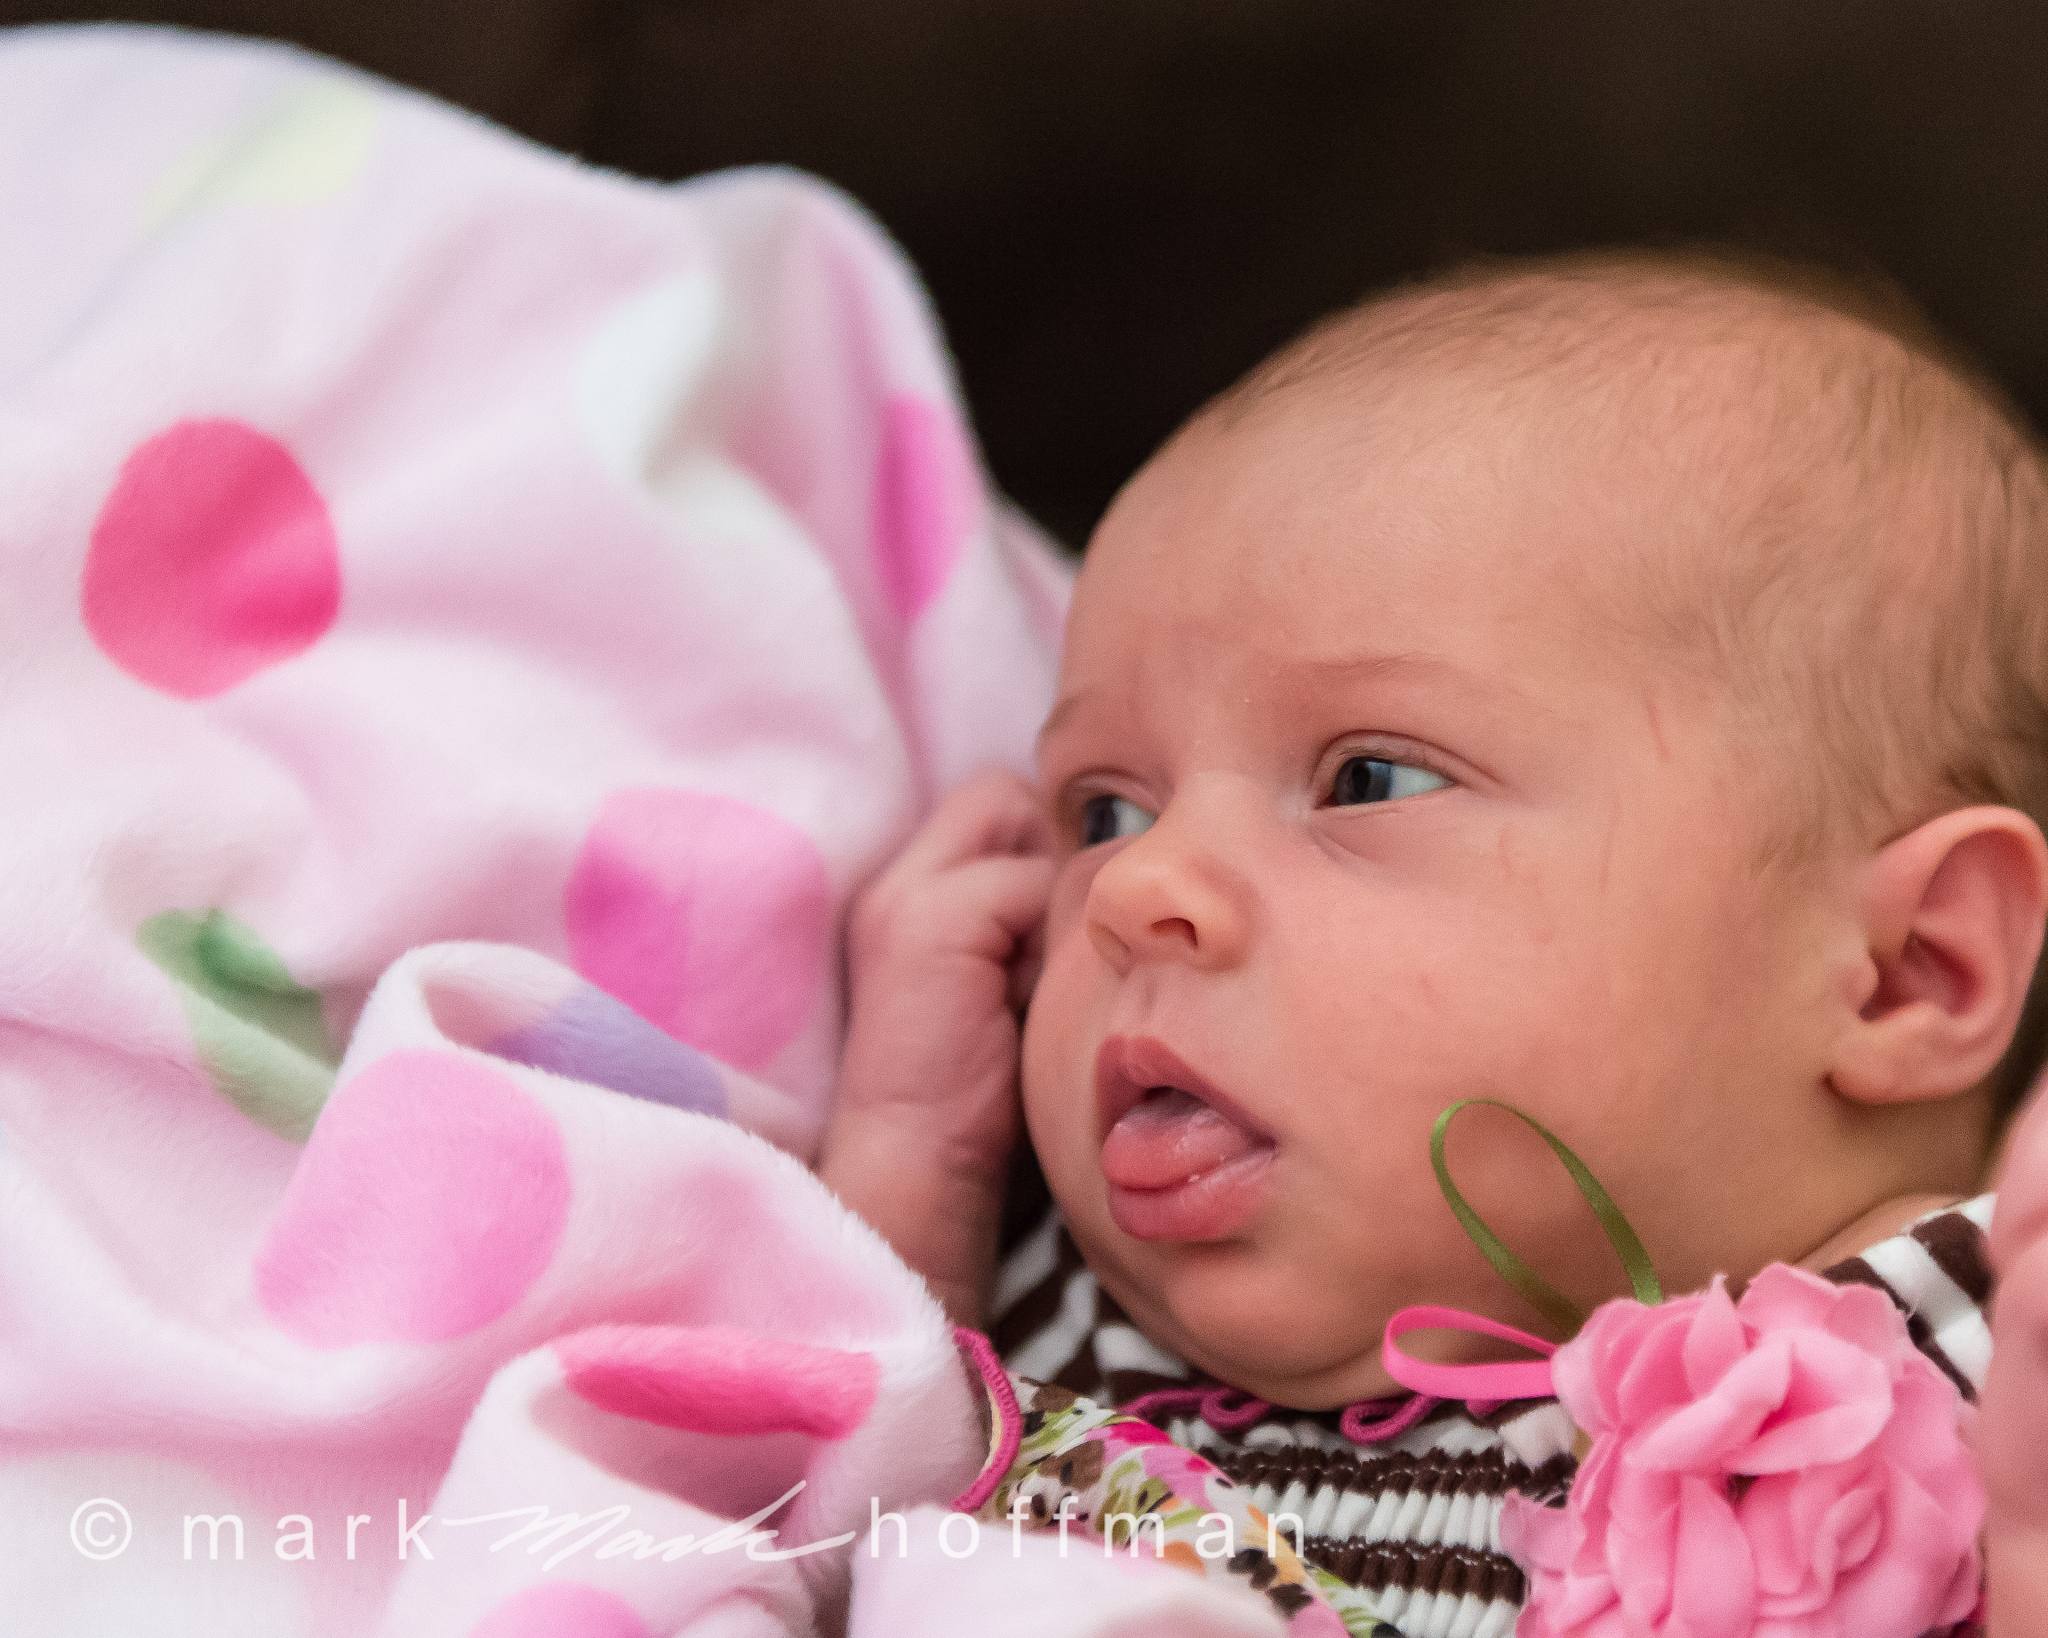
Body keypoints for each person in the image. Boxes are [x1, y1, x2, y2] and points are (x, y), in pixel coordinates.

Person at [819, 249, 2048, 1635]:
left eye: (1370, 779)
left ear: (1905, 969)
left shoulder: (1985, 1378)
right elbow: (786, 1534)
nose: (1135, 886)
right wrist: (918, 1167)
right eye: (1106, 810)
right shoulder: (1051, 1342)